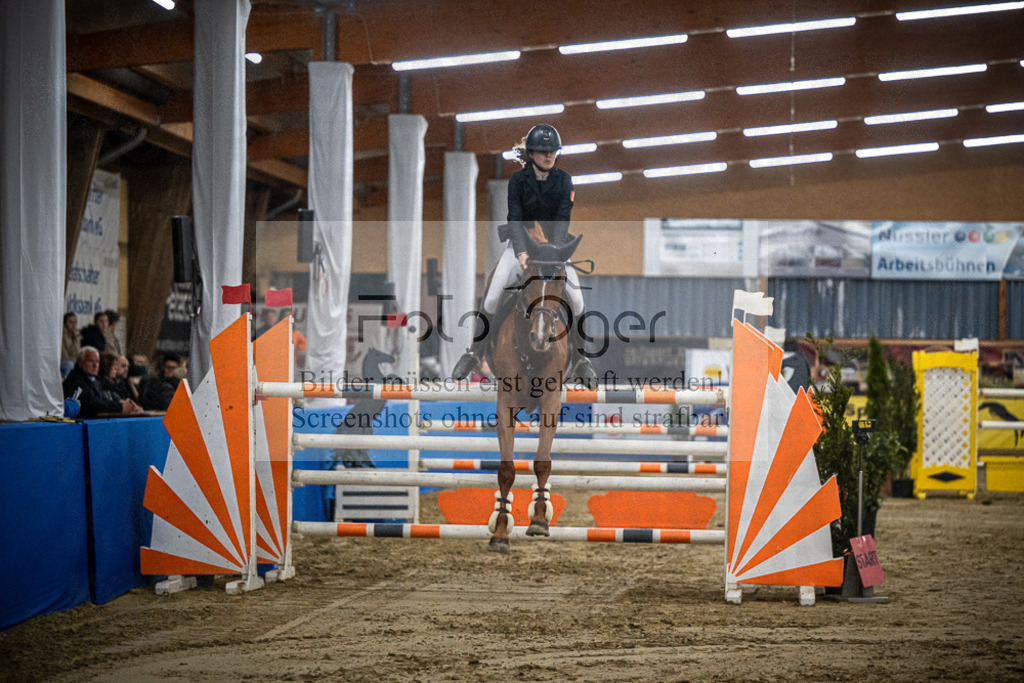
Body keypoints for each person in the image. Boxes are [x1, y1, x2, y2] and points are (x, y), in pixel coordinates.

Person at [451, 124, 595, 383]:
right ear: (531, 154)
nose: (548, 156)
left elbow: (562, 220)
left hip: (554, 250)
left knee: (577, 300)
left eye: (552, 151)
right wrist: (520, 253)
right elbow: (515, 219)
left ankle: (581, 359)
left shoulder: (564, 181)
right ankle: (475, 352)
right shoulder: (518, 181)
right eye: (543, 151)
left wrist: (553, 254)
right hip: (522, 248)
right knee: (493, 296)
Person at [62, 346, 143, 418]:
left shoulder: (94, 380)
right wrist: (120, 407)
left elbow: (103, 398)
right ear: (80, 362)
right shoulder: (76, 381)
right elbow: (91, 405)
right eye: (91, 361)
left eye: (97, 361)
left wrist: (121, 402)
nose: (95, 365)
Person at [61, 312, 80, 378]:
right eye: (71, 322)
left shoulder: (77, 335)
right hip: (65, 363)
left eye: (75, 322)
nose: (73, 325)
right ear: (65, 323)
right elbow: (64, 356)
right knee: (69, 364)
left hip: (76, 362)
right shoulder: (62, 336)